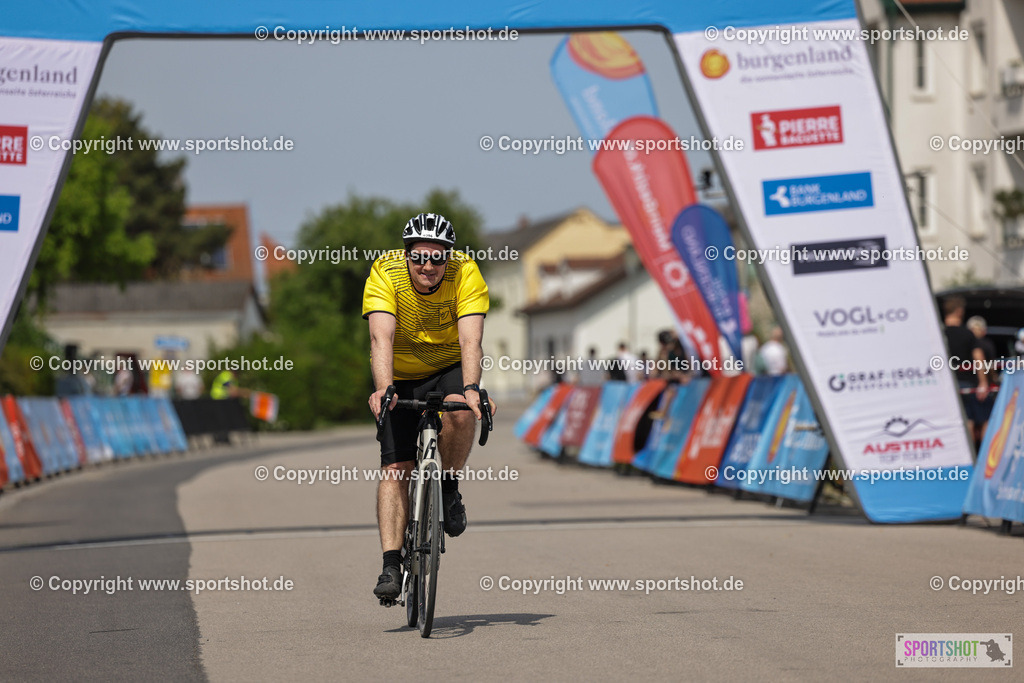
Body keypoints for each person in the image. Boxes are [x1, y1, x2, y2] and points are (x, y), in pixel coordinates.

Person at [363, 212, 495, 603]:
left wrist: (471, 389)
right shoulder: (386, 271)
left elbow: (471, 341)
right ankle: (391, 564)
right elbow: (381, 339)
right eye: (419, 257)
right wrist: (384, 389)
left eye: (437, 257)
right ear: (407, 255)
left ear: (447, 257)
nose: (428, 266)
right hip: (400, 373)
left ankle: (448, 487)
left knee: (460, 409)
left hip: (447, 367)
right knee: (396, 469)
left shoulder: (465, 271)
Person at [942, 297, 988, 440]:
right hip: (967, 383)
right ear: (959, 311)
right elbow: (978, 358)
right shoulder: (967, 334)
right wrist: (983, 382)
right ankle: (974, 452)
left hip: (945, 385)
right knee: (971, 420)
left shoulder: (939, 334)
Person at [966, 315, 997, 446]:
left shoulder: (966, 343)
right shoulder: (986, 344)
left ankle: (971, 451)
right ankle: (984, 450)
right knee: (986, 420)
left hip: (968, 386)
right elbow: (990, 368)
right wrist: (990, 381)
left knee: (969, 420)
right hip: (982, 387)